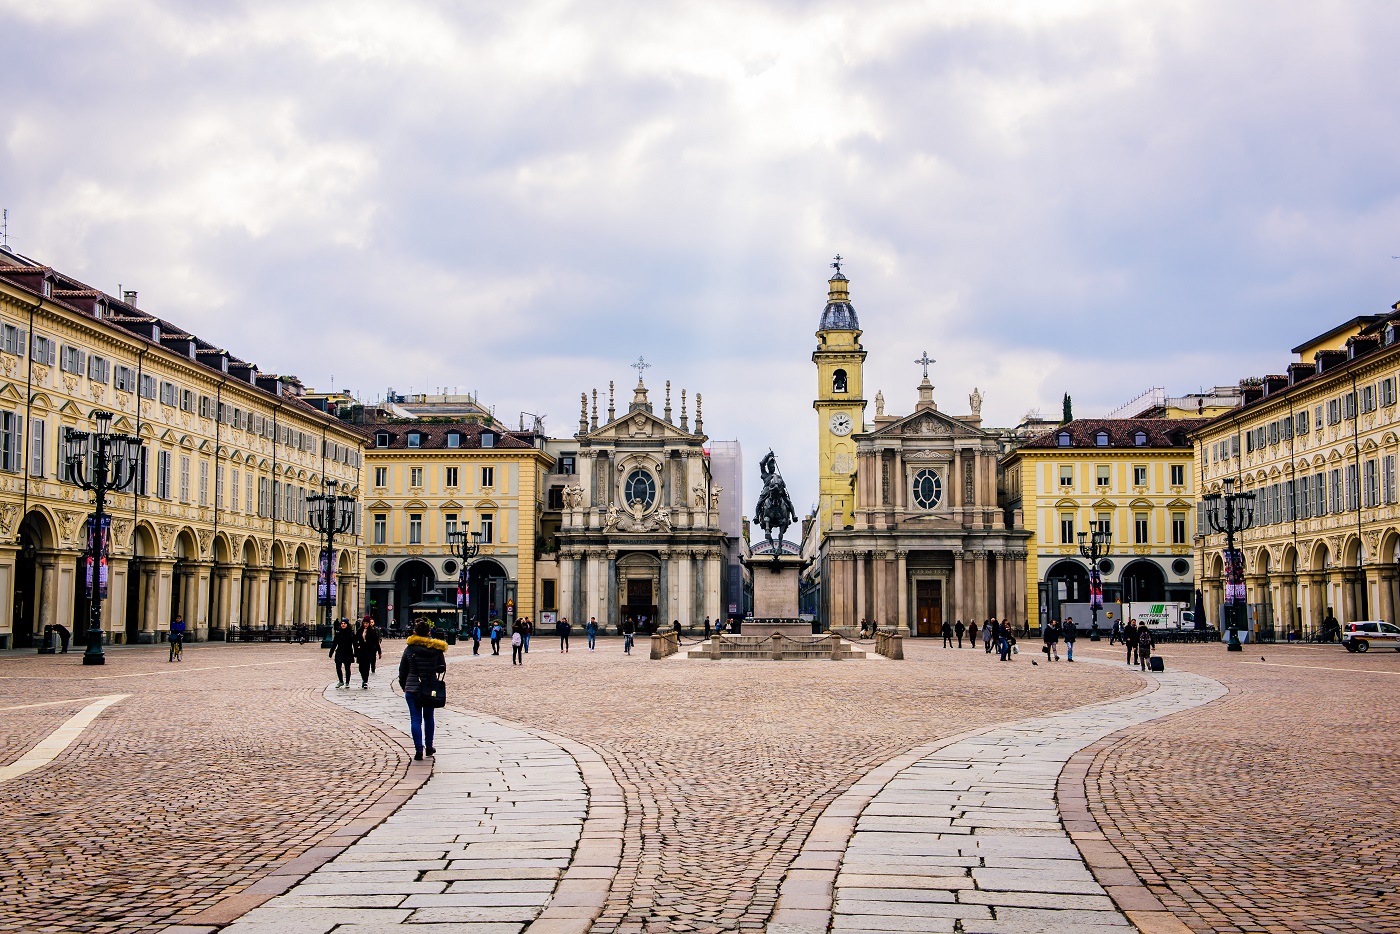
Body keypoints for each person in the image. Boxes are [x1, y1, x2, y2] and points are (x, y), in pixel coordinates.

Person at [398, 620, 447, 760]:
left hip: (412, 686)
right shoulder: (437, 648)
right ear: (428, 632)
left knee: (415, 719)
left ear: (415, 632)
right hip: (429, 686)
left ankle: (418, 749)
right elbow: (442, 667)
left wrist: (404, 685)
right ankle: (429, 746)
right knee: (429, 717)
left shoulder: (410, 648)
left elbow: (403, 670)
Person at [330, 618, 358, 688]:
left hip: (348, 652)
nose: (343, 625)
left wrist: (356, 652)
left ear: (347, 624)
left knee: (347, 668)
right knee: (338, 666)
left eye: (344, 623)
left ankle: (347, 682)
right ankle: (341, 681)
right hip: (339, 651)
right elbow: (334, 644)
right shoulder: (338, 633)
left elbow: (354, 644)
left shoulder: (351, 634)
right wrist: (331, 652)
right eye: (342, 623)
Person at [355, 619, 382, 688]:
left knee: (366, 666)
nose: (365, 625)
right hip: (361, 651)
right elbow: (355, 640)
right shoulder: (359, 630)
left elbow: (376, 642)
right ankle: (363, 678)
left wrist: (379, 652)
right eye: (364, 623)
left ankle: (365, 681)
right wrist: (356, 648)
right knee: (361, 667)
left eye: (367, 623)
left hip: (369, 651)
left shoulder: (372, 631)